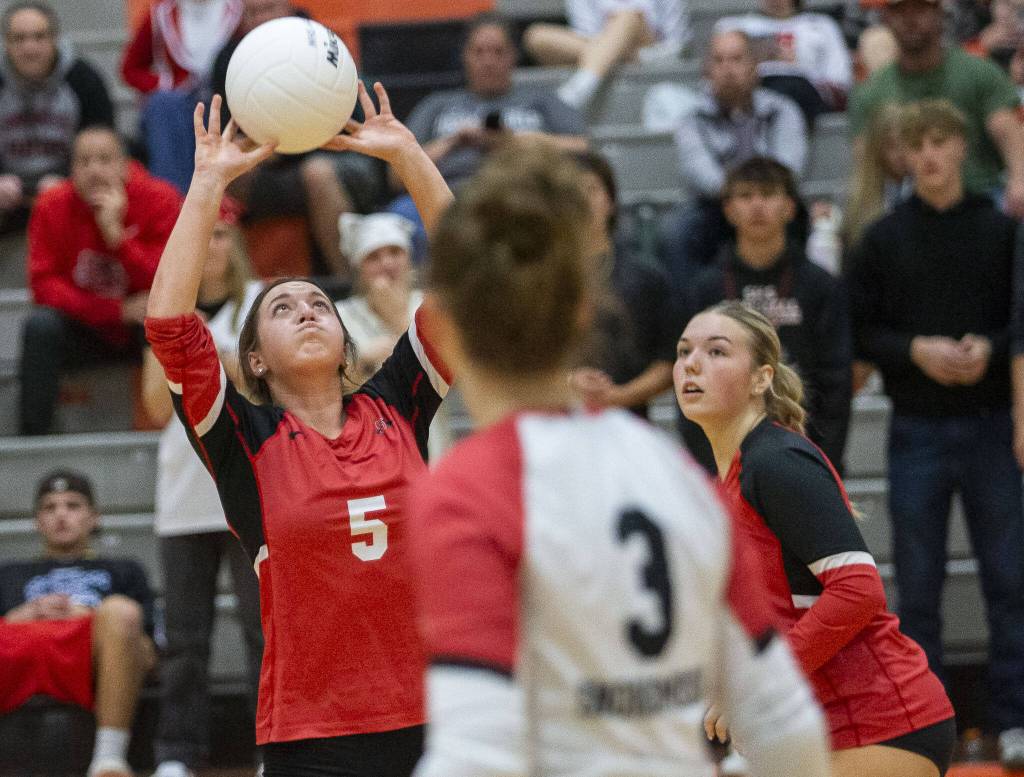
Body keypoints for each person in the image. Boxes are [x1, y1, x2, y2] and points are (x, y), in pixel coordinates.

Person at [407, 142, 829, 777]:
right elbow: (787, 727)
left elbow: (477, 757)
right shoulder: (678, 474)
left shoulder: (469, 490)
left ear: (446, 326)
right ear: (584, 310)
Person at [144, 82, 453, 777]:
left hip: (438, 712)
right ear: (253, 357)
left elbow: (474, 282)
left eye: (320, 302)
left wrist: (408, 158)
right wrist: (208, 183)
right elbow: (169, 324)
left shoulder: (399, 402)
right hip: (312, 729)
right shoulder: (242, 437)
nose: (310, 310)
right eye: (283, 307)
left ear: (347, 344)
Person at [675, 301, 956, 777]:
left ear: (762, 378)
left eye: (717, 351)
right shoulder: (731, 479)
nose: (692, 364)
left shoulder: (776, 462)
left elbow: (858, 590)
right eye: (684, 351)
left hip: (882, 722)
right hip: (822, 730)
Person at [848, 98, 1024, 770]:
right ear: (900, 155)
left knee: (1009, 577)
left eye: (940, 141)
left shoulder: (1001, 231)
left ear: (960, 148)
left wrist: (990, 347)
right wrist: (916, 351)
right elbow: (861, 333)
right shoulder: (883, 238)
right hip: (916, 426)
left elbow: (1021, 322)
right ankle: (929, 726)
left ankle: (1013, 717)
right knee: (916, 586)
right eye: (915, 143)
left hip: (990, 424)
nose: (928, 155)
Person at [140, 197, 263, 777]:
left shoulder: (261, 303)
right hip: (184, 493)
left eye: (220, 235)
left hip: (252, 486)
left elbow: (269, 390)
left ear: (234, 242)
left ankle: (275, 750)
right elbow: (150, 405)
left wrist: (213, 361)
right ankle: (176, 755)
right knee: (185, 641)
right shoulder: (169, 309)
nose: (211, 246)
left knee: (265, 635)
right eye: (201, 236)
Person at [679, 157, 852, 474]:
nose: (757, 205)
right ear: (729, 210)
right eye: (745, 196)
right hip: (724, 459)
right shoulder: (706, 288)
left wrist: (822, 460)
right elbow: (688, 382)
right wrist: (715, 465)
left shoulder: (820, 286)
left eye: (768, 194)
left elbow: (836, 382)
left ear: (789, 207)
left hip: (804, 451)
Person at [18, 124, 182, 436]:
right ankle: (34, 439)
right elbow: (43, 285)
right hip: (85, 326)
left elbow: (170, 278)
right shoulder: (51, 205)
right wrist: (115, 310)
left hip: (141, 328)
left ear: (125, 165)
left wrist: (117, 238)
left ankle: (165, 431)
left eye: (104, 160)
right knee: (39, 327)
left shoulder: (160, 199)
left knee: (163, 321)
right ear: (71, 170)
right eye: (84, 161)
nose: (94, 170)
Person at [211, 0, 385, 280]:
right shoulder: (230, 57)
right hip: (273, 164)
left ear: (288, 8)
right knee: (223, 177)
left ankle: (350, 286)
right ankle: (238, 297)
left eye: (266, 9)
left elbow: (350, 124)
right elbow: (231, 133)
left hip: (343, 157)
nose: (258, 20)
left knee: (317, 173)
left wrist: (282, 142)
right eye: (251, 13)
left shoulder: (318, 40)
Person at [0, 470, 156, 777]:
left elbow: (150, 650)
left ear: (93, 517)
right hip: (25, 656)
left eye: (72, 506)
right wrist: (24, 614)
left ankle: (109, 759)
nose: (61, 515)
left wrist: (90, 616)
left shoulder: (124, 570)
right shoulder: (8, 573)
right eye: (50, 507)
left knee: (119, 610)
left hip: (94, 655)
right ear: (37, 521)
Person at [397, 12, 588, 262]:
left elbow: (583, 148)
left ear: (513, 56)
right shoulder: (437, 105)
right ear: (465, 56)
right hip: (447, 198)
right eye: (479, 52)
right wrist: (453, 141)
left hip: (525, 198)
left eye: (498, 52)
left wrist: (517, 142)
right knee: (401, 215)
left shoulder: (541, 101)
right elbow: (396, 176)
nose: (488, 61)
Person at [662, 29, 807, 296]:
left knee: (802, 214)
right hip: (714, 205)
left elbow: (789, 169)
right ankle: (691, 314)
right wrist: (741, 198)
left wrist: (758, 197)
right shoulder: (691, 119)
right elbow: (700, 172)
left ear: (754, 67)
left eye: (737, 59)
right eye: (719, 61)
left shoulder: (783, 110)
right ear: (707, 71)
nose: (728, 69)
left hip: (772, 197)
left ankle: (796, 303)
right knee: (676, 231)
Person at [849, 0, 1024, 218]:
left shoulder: (979, 73)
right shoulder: (872, 92)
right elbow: (866, 166)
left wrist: (1019, 180)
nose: (909, 20)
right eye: (899, 11)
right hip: (906, 207)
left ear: (940, 14)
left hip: (982, 198)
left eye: (919, 9)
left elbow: (1008, 131)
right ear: (886, 19)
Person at [568, 150, 676, 417]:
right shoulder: (535, 279)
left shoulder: (647, 276)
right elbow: (520, 362)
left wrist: (619, 397)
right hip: (556, 425)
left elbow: (668, 360)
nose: (581, 200)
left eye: (591, 189)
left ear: (611, 200)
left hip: (631, 422)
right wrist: (567, 383)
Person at [0, 1, 114, 232]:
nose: (30, 48)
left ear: (55, 39)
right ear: (6, 43)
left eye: (39, 36)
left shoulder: (83, 80)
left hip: (71, 187)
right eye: (19, 39)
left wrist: (70, 181)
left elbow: (104, 146)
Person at [121, 0, 243, 193]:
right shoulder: (160, 15)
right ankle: (173, 202)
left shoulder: (239, 10)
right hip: (178, 111)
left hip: (226, 104)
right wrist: (167, 84)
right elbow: (129, 69)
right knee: (164, 105)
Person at [523, 0, 690, 111]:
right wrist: (616, 45)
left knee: (628, 17)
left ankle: (574, 94)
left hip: (648, 50)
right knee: (536, 36)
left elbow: (677, 45)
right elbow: (586, 35)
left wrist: (627, 38)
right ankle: (587, 79)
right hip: (597, 50)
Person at [714, 0, 854, 125]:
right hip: (753, 92)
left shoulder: (822, 26)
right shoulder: (733, 28)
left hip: (805, 95)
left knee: (790, 90)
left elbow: (839, 82)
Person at [336, 211, 420, 385]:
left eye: (395, 252)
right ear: (358, 269)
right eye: (373, 257)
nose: (387, 264)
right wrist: (362, 360)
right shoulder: (338, 314)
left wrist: (397, 317)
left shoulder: (434, 305)